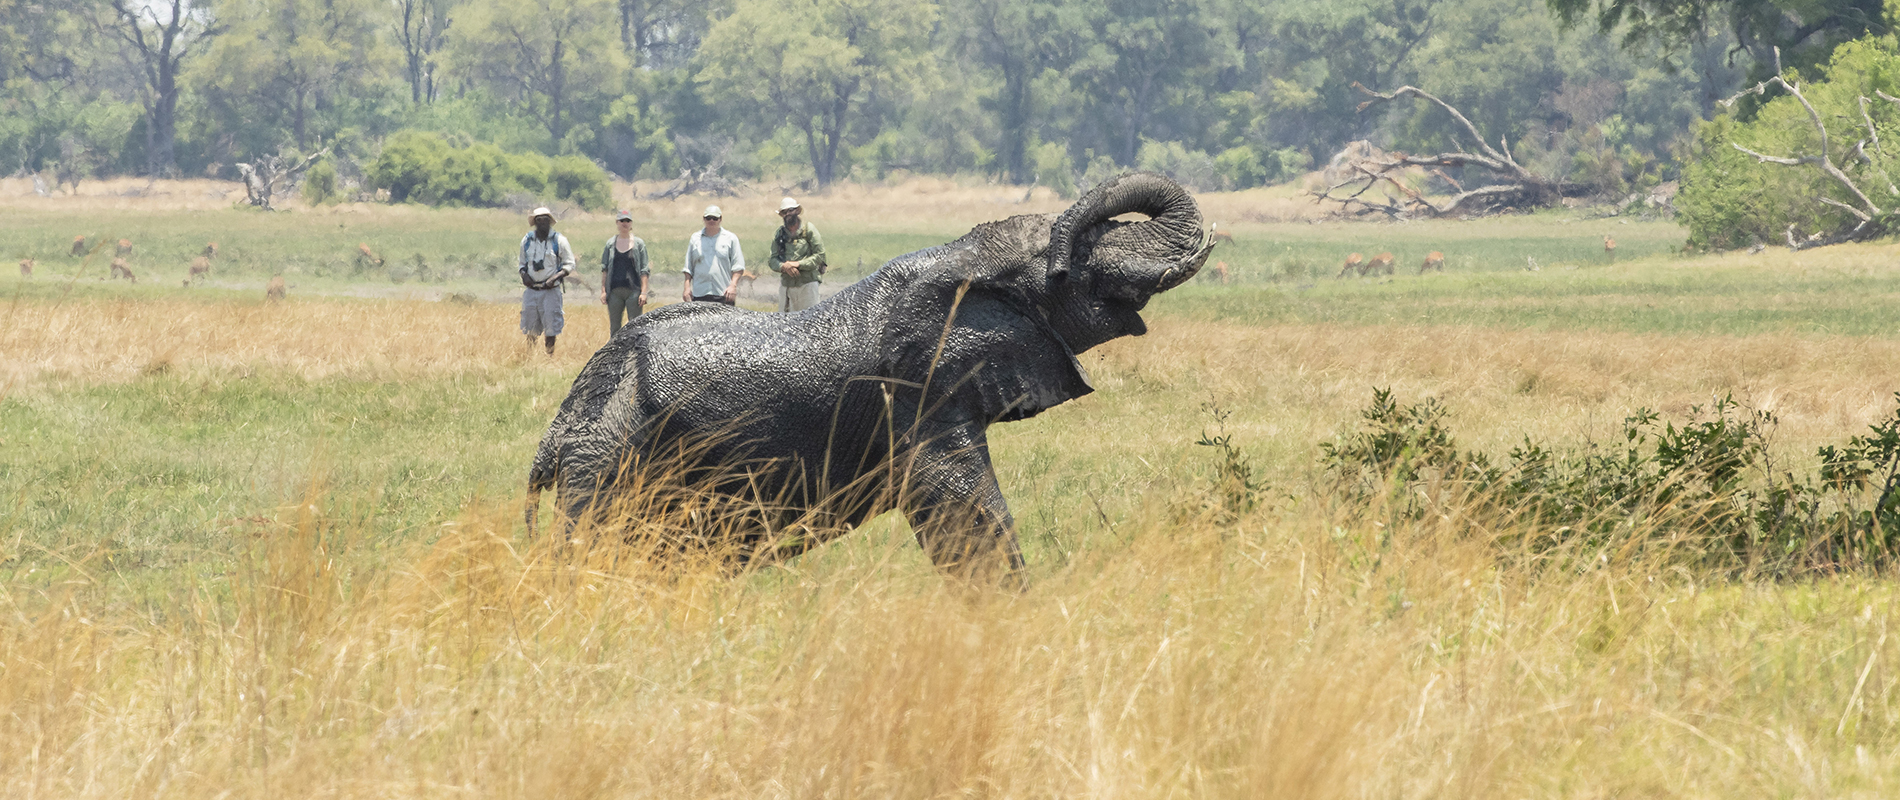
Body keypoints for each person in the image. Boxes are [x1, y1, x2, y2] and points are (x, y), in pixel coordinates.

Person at [518, 206, 574, 354]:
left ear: (550, 221)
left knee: (551, 327)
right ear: (535, 222)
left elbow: (569, 264)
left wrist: (554, 278)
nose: (542, 222)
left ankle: (549, 357)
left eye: (545, 219)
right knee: (530, 326)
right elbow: (522, 264)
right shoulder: (527, 240)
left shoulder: (559, 240)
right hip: (531, 290)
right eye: (539, 220)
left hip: (550, 291)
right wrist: (524, 275)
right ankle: (530, 356)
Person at [768, 196, 826, 312]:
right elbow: (772, 260)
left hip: (807, 284)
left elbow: (820, 256)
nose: (788, 214)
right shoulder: (779, 234)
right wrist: (784, 266)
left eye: (790, 210)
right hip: (787, 286)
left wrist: (797, 264)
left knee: (809, 319)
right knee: (785, 321)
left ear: (797, 211)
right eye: (784, 212)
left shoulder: (809, 229)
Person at [682, 204, 744, 305]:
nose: (711, 221)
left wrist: (733, 286)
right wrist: (687, 288)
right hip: (700, 293)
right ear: (703, 219)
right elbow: (688, 267)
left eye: (715, 218)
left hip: (723, 293)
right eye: (708, 218)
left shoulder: (731, 238)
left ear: (720, 219)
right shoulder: (695, 238)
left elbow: (738, 267)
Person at [600, 210, 649, 334]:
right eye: (622, 220)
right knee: (615, 328)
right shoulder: (610, 244)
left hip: (634, 291)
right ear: (617, 223)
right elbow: (605, 269)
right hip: (614, 292)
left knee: (635, 327)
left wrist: (643, 292)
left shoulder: (639, 244)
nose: (625, 223)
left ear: (631, 223)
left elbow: (644, 270)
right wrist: (603, 291)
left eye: (627, 220)